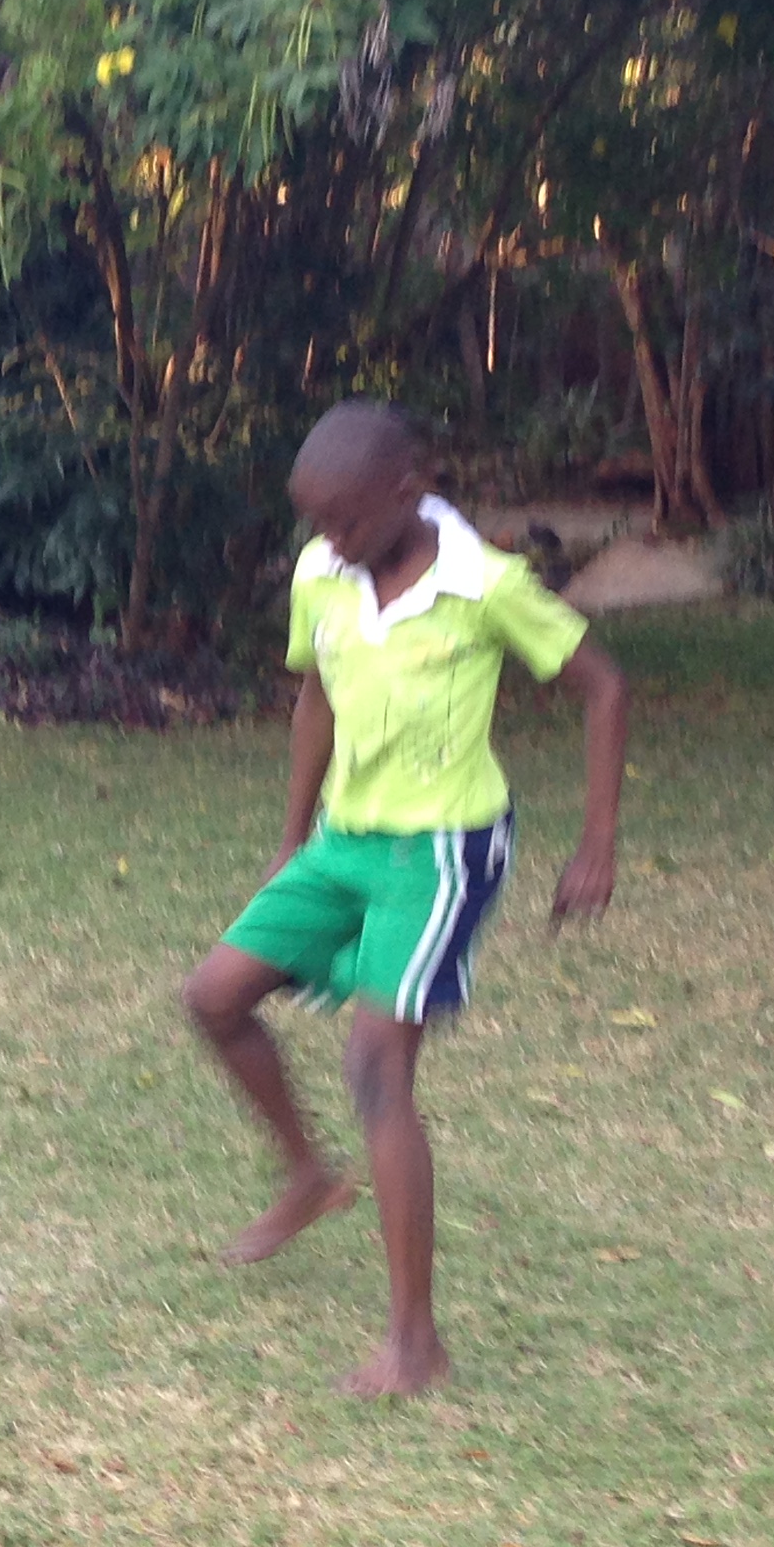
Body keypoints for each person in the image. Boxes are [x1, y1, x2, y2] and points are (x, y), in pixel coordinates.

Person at [180, 401, 627, 1398]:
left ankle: (415, 1345)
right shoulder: (322, 574)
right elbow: (317, 697)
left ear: (406, 488)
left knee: (377, 1066)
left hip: (442, 851)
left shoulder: (484, 584)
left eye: (345, 519)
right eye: (316, 522)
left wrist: (596, 843)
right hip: (344, 842)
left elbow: (604, 687)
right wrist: (292, 840)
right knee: (213, 998)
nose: (328, 540)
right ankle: (308, 1176)